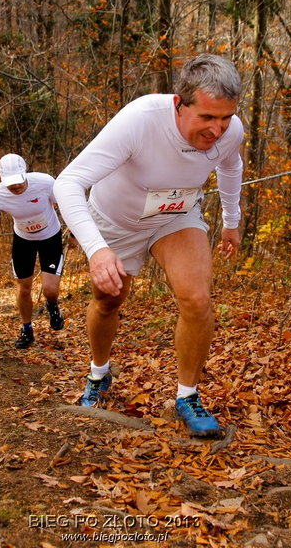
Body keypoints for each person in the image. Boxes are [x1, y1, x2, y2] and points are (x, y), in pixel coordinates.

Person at [53, 54, 244, 437]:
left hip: (175, 217)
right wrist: (97, 249)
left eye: (225, 118)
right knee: (110, 300)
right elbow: (67, 183)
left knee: (197, 298)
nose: (218, 129)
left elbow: (231, 166)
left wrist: (231, 221)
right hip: (116, 221)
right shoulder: (140, 121)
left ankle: (187, 396)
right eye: (207, 118)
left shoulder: (231, 130)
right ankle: (98, 374)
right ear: (179, 103)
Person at [0, 153, 66, 349]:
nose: (15, 186)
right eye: (10, 183)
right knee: (24, 288)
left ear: (25, 173)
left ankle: (52, 305)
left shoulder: (44, 182)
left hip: (50, 236)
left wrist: (76, 233)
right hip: (24, 240)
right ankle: (27, 328)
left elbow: (67, 206)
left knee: (50, 289)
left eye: (18, 181)